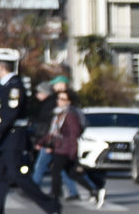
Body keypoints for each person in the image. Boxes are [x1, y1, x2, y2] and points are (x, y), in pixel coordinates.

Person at [0, 58, 61, 214]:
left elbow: (10, 114)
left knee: (18, 176)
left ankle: (52, 206)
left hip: (12, 138)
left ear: (2, 68)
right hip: (4, 139)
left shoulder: (14, 87)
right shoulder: (7, 87)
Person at [35, 78, 106, 206]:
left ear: (69, 102)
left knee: (56, 171)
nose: (59, 101)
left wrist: (72, 152)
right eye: (59, 99)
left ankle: (55, 196)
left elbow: (74, 134)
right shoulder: (60, 114)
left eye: (62, 99)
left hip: (66, 149)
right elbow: (53, 132)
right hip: (60, 147)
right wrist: (42, 142)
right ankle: (94, 190)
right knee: (71, 173)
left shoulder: (70, 115)